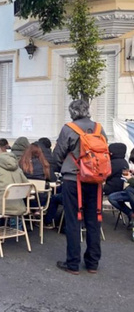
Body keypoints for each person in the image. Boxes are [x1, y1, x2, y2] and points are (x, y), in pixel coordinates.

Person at [53, 99, 107, 275]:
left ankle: (73, 263)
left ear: (72, 112)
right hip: (95, 180)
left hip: (73, 178)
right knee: (93, 220)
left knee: (73, 220)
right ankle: (93, 263)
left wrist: (59, 169)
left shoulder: (69, 128)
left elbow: (58, 154)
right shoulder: (99, 128)